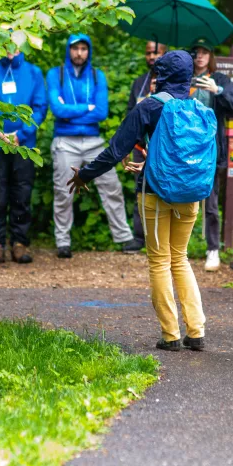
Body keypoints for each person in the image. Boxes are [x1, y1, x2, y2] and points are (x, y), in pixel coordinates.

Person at [68, 50, 208, 351]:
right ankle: (196, 331)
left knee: (160, 261)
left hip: (155, 193)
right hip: (190, 194)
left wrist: (84, 175)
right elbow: (187, 156)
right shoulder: (197, 107)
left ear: (162, 76)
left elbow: (115, 151)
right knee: (180, 259)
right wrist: (153, 160)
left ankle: (170, 335)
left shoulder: (149, 107)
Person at [47, 34, 136, 258]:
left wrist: (72, 111)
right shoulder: (55, 74)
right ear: (68, 50)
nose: (79, 53)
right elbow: (57, 111)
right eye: (75, 48)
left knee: (111, 186)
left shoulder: (97, 76)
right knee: (63, 191)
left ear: (89, 51)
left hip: (94, 142)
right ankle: (63, 242)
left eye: (83, 49)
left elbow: (101, 112)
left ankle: (124, 238)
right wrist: (87, 108)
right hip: (65, 141)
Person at [0, 50, 48, 264]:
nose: (11, 49)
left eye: (15, 44)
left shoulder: (33, 72)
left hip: (24, 146)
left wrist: (21, 134)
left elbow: (40, 107)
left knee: (22, 195)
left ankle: (19, 243)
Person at [188, 39, 233, 272]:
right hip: (184, 148)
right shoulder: (184, 79)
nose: (199, 57)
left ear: (210, 56)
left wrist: (216, 91)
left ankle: (213, 249)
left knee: (210, 201)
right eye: (196, 52)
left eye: (204, 52)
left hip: (210, 148)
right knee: (180, 197)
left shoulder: (219, 80)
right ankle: (179, 249)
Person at [127, 42, 166, 252]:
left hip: (163, 149)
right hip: (140, 147)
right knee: (140, 191)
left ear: (164, 54)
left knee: (163, 193)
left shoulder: (171, 83)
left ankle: (161, 238)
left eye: (157, 53)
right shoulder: (139, 83)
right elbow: (130, 115)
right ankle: (139, 237)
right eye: (149, 53)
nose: (152, 57)